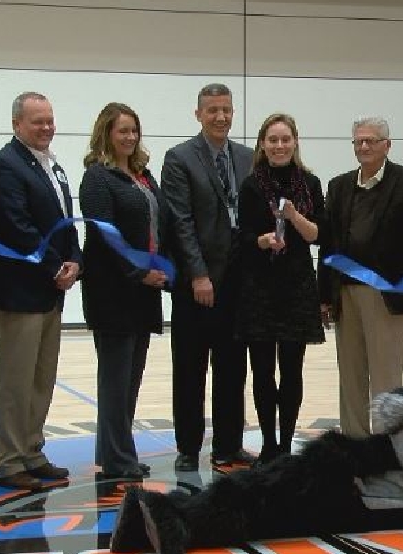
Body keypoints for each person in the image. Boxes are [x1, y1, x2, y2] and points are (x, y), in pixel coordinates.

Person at [317, 117, 403, 438]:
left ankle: (386, 445)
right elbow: (329, 243)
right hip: (345, 294)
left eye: (371, 141)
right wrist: (324, 295)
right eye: (358, 142)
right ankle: (354, 442)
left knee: (385, 375)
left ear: (386, 145)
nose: (364, 146)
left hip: (386, 294)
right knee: (350, 374)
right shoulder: (339, 186)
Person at [0, 92, 82, 489]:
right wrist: (55, 266)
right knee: (15, 379)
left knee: (42, 378)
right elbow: (15, 226)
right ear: (16, 125)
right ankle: (8, 460)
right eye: (37, 121)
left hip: (49, 292)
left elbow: (66, 223)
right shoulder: (4, 166)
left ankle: (31, 450)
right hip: (16, 292)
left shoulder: (53, 167)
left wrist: (76, 260)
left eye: (49, 120)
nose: (46, 128)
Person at [161, 83, 256, 471]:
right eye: (213, 110)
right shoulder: (180, 158)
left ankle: (229, 445)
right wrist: (199, 275)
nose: (220, 117)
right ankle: (187, 447)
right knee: (190, 368)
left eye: (227, 110)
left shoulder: (249, 157)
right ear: (198, 114)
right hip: (197, 284)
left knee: (234, 369)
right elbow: (180, 223)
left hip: (238, 283)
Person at [79, 102, 171, 479]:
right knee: (116, 380)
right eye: (123, 131)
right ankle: (119, 459)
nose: (130, 137)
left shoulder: (141, 175)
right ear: (106, 133)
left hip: (143, 291)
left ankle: (113, 451)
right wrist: (138, 273)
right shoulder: (97, 178)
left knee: (129, 378)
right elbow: (104, 236)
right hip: (114, 291)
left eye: (134, 130)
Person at [235, 113, 325, 463]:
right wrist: (261, 240)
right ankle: (269, 444)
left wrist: (292, 217)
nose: (279, 145)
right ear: (262, 144)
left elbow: (319, 233)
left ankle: (286, 444)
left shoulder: (311, 183)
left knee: (292, 370)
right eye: (272, 139)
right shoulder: (251, 185)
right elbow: (241, 236)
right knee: (262, 371)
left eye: (285, 139)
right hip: (259, 287)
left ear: (295, 142)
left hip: (297, 286)